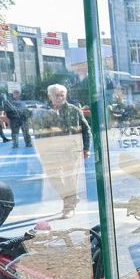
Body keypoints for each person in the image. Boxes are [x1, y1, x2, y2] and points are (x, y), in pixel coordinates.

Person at [31, 84, 91, 218]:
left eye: (62, 95)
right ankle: (71, 198)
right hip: (51, 152)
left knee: (70, 179)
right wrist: (41, 151)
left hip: (71, 152)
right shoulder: (42, 112)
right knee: (54, 178)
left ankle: (69, 207)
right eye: (56, 95)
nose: (59, 98)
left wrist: (86, 148)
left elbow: (86, 130)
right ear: (49, 96)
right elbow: (38, 133)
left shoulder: (74, 110)